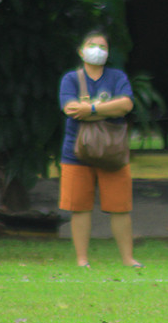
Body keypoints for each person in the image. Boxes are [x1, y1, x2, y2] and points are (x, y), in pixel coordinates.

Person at [59, 30, 142, 268]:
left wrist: (92, 109)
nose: (98, 50)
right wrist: (107, 107)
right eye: (93, 45)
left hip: (113, 153)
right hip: (75, 153)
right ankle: (82, 260)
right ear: (81, 50)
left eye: (103, 47)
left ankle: (128, 258)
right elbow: (71, 108)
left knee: (120, 208)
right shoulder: (71, 79)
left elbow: (126, 104)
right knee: (79, 207)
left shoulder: (117, 76)